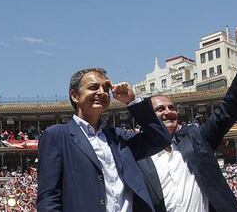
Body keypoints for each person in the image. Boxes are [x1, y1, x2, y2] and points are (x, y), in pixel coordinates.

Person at [136, 25, 237, 212]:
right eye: (160, 109)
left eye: (171, 108)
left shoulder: (194, 138)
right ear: (148, 117)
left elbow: (227, 111)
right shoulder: (138, 153)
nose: (169, 112)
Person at [36, 68, 171, 212]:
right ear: (75, 95)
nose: (101, 92)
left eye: (106, 89)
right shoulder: (57, 136)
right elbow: (49, 197)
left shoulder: (119, 137)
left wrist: (132, 101)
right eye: (93, 87)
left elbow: (160, 139)